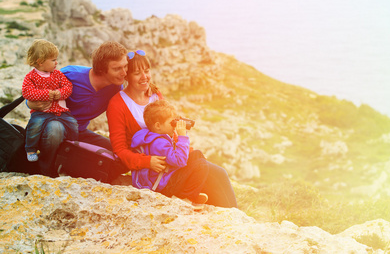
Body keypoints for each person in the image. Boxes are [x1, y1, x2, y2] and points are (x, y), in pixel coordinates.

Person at [107, 49, 237, 208]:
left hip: (171, 159)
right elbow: (120, 150)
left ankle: (230, 219)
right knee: (211, 173)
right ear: (126, 75)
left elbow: (169, 126)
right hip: (155, 174)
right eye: (137, 73)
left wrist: (181, 145)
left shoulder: (155, 94)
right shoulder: (117, 104)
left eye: (147, 71)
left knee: (215, 171)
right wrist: (147, 161)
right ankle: (228, 219)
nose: (144, 77)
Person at [26, 41, 128, 177]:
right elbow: (33, 97)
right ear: (102, 69)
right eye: (117, 69)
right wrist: (31, 104)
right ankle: (45, 172)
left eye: (125, 66)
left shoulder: (115, 88)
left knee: (120, 154)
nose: (124, 73)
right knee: (55, 129)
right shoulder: (71, 75)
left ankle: (73, 168)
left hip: (78, 132)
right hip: (49, 128)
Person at [132, 99, 209, 208]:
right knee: (201, 165)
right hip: (163, 187)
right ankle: (185, 197)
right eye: (172, 122)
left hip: (165, 178)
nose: (174, 125)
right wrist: (182, 136)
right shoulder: (158, 143)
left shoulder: (154, 136)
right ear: (158, 125)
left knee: (197, 155)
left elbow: (177, 157)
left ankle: (190, 193)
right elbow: (180, 161)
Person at [22, 39, 78, 162]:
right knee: (34, 126)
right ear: (40, 62)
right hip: (42, 112)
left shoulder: (58, 74)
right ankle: (30, 149)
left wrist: (59, 94)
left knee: (73, 125)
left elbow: (68, 87)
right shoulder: (31, 77)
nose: (56, 62)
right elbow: (27, 92)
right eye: (53, 60)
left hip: (61, 111)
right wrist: (47, 94)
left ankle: (72, 147)